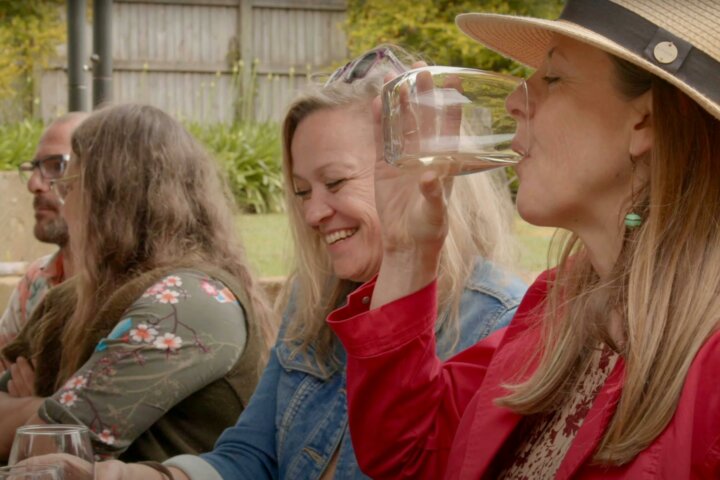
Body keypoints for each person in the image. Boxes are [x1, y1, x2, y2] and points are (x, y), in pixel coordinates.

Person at [56, 46, 527, 479]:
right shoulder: (316, 296)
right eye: (302, 191)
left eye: (336, 182)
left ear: (426, 174)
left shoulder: (499, 321)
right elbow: (252, 456)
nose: (312, 212)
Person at [327, 1, 720, 478]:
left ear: (646, 122)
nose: (515, 100)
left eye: (552, 78)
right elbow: (408, 455)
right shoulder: (558, 305)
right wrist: (407, 251)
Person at [0, 103, 276, 463]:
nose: (66, 209)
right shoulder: (73, 297)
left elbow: (58, 444)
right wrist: (49, 408)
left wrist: (44, 406)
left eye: (71, 188)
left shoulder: (192, 303)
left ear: (111, 200)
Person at [0, 113, 88, 349]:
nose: (33, 185)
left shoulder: (135, 291)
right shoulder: (36, 280)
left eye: (57, 166)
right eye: (35, 168)